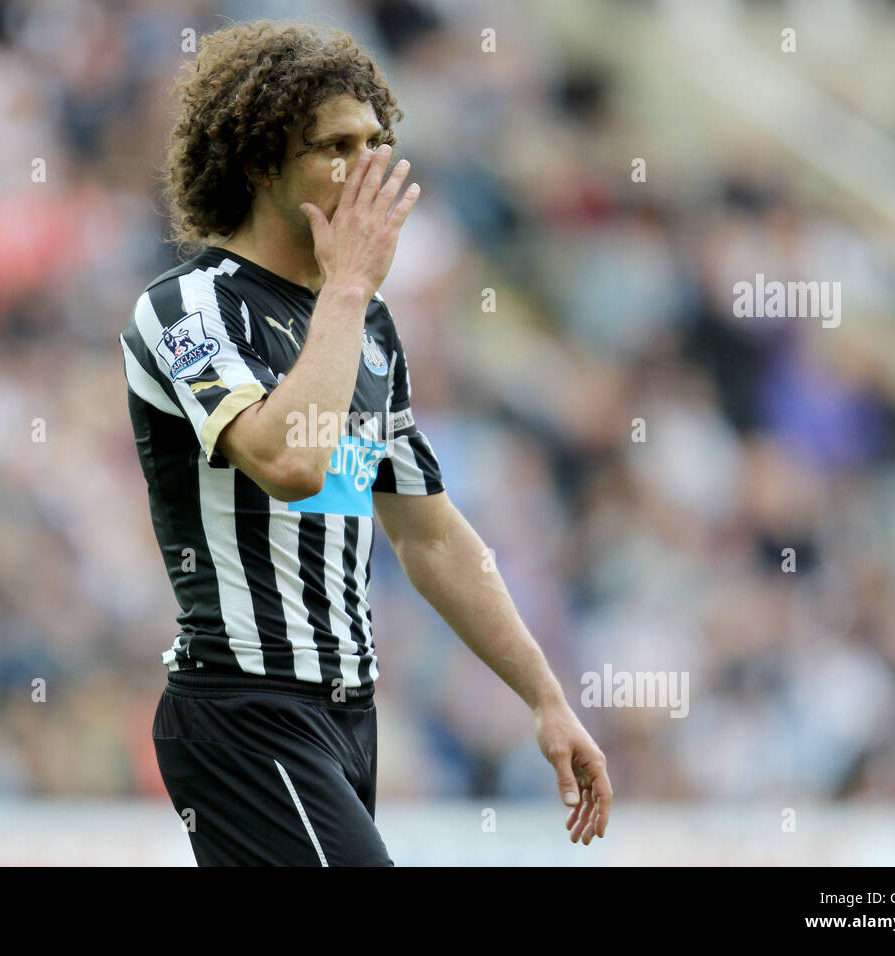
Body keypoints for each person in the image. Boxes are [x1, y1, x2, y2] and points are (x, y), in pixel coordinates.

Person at [120, 20, 611, 865]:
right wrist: (346, 283)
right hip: (245, 710)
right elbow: (289, 464)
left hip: (349, 718)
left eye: (379, 143)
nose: (367, 167)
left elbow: (428, 532)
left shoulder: (366, 327)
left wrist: (545, 698)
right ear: (258, 162)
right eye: (335, 146)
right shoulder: (191, 307)